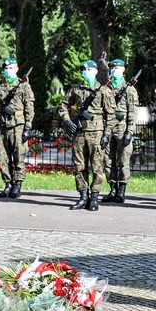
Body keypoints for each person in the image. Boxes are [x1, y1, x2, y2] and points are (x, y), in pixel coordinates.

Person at [57, 59, 116, 211]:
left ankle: (94, 197)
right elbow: (63, 106)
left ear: (95, 71)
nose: (85, 72)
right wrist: (67, 121)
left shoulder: (104, 90)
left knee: (97, 167)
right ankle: (83, 196)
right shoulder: (76, 89)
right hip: (79, 133)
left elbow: (111, 115)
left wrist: (106, 135)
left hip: (96, 133)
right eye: (83, 70)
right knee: (79, 167)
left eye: (88, 70)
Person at [0, 57, 35, 199]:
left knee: (19, 156)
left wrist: (28, 127)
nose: (7, 70)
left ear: (16, 69)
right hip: (3, 126)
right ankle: (8, 184)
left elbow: (29, 108)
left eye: (10, 68)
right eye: (5, 68)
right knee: (3, 158)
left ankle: (17, 184)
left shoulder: (23, 86)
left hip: (18, 125)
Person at [102, 59, 137, 204]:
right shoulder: (106, 88)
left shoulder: (129, 89)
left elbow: (132, 112)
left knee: (123, 160)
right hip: (108, 128)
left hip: (122, 128)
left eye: (118, 67)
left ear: (123, 70)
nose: (115, 70)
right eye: (113, 67)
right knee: (107, 160)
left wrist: (130, 131)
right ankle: (112, 189)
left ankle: (121, 190)